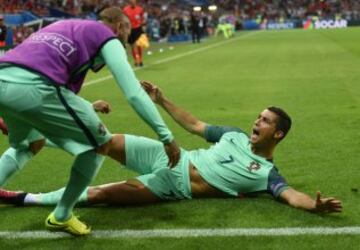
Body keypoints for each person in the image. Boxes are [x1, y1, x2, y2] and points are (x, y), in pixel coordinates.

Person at [0, 81, 342, 214]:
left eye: (265, 121)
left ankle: (22, 198)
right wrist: (162, 100)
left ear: (277, 135)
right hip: (171, 156)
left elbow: (290, 194)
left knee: (101, 194)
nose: (257, 122)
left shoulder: (267, 174)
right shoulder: (233, 134)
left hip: (173, 185)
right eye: (258, 117)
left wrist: (313, 205)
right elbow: (194, 125)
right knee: (105, 141)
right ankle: (35, 135)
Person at [0, 7, 180, 236]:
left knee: (27, 145)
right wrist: (166, 136)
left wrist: (87, 106)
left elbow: (46, 72)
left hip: (4, 78)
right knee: (100, 144)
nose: (127, 36)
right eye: (127, 29)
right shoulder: (107, 36)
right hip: (35, 89)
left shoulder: (64, 27)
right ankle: (62, 215)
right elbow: (133, 92)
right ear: (119, 26)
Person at [123, 0, 145, 67]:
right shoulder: (125, 10)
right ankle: (136, 60)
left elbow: (142, 18)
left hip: (138, 29)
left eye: (133, 1)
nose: (132, 2)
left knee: (139, 45)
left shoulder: (140, 9)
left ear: (136, 1)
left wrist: (143, 24)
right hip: (130, 29)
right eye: (130, 1)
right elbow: (124, 19)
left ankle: (140, 60)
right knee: (132, 45)